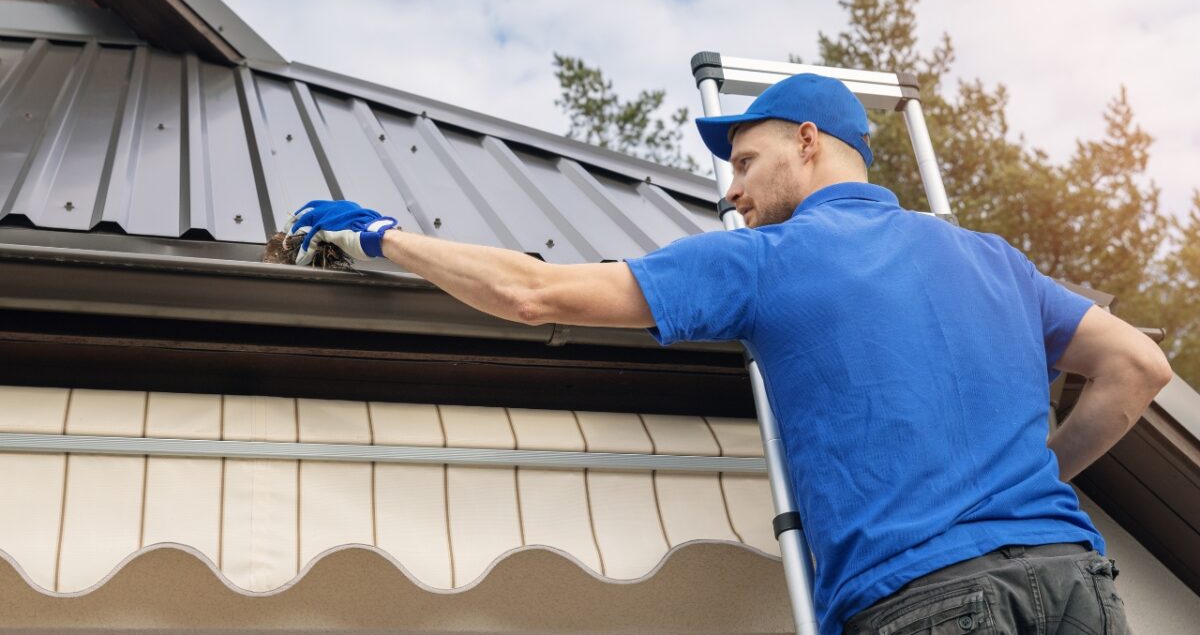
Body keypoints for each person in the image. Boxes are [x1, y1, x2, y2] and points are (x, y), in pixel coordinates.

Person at [286, 72, 1171, 635]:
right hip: (1074, 586)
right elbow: (1138, 367)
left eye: (746, 161)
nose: (733, 192)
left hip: (927, 600)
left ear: (811, 144)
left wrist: (381, 237)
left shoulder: (768, 260)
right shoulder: (991, 257)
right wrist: (1035, 478)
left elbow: (535, 293)